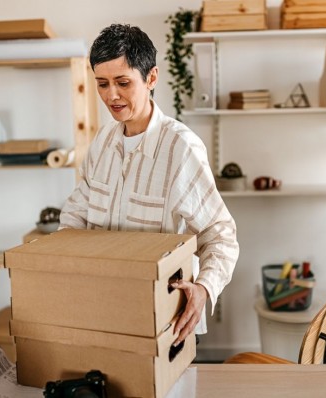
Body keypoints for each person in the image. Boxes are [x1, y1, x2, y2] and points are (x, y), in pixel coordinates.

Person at [59, 24, 239, 347]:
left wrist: (204, 289)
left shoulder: (181, 148)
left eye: (123, 83)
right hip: (100, 315)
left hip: (164, 323)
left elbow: (222, 235)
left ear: (152, 78)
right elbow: (73, 218)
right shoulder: (101, 143)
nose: (111, 95)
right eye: (102, 84)